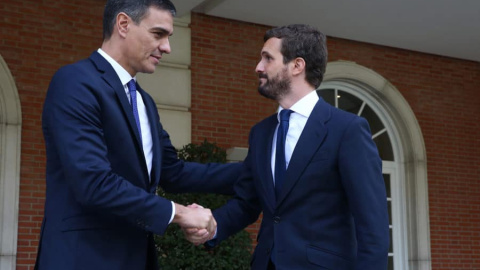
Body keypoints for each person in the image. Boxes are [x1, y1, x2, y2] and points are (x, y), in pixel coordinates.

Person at [35, 1, 241, 270]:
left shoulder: (144, 101)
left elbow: (174, 172)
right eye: (158, 34)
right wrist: (180, 213)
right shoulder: (75, 82)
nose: (167, 47)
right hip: (82, 258)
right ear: (123, 24)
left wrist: (260, 169)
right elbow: (94, 183)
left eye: (169, 37)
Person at [186, 24, 390, 269]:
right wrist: (211, 226)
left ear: (297, 66)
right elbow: (247, 201)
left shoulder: (347, 130)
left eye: (268, 58)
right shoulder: (261, 133)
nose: (258, 67)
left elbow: (373, 230)